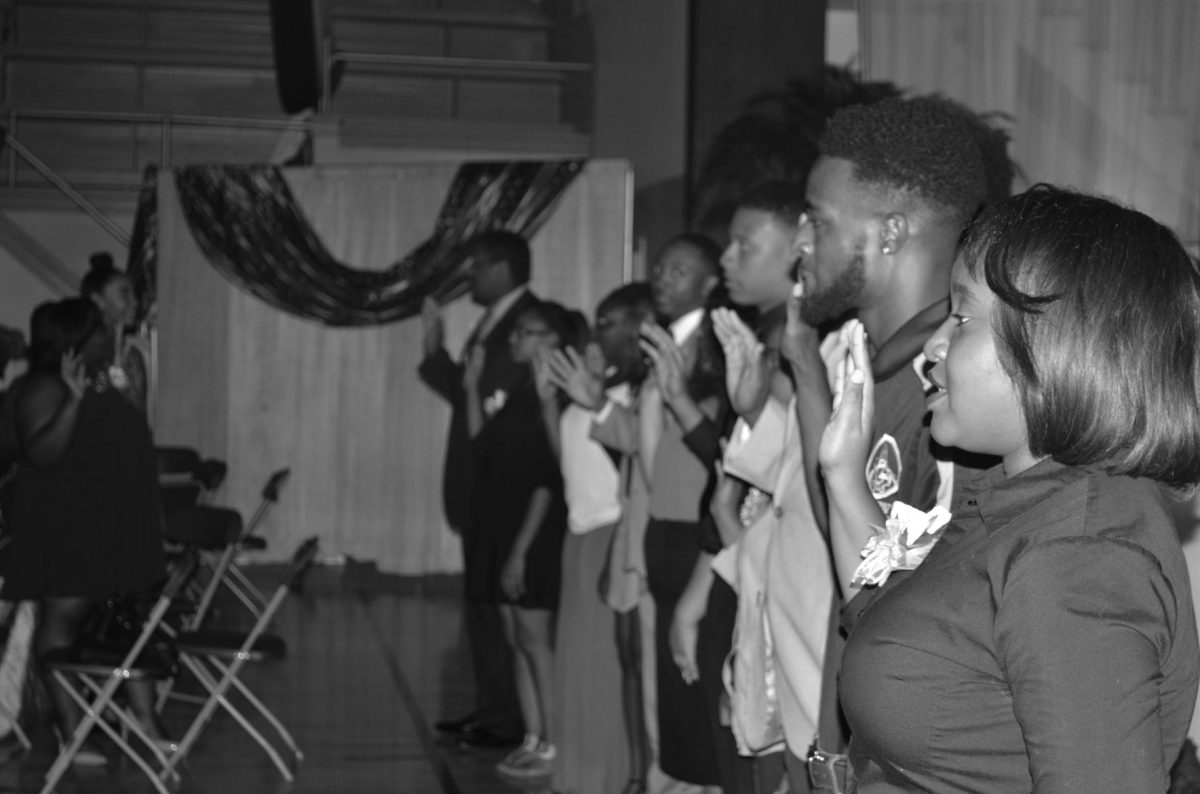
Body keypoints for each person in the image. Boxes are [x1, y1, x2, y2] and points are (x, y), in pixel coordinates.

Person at [821, 185, 1200, 791]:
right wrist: (843, 474)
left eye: (962, 317)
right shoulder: (1026, 498)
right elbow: (890, 619)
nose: (934, 345)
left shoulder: (1080, 550)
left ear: (1056, 346)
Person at [782, 95, 1005, 792]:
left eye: (818, 219)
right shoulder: (868, 361)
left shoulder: (960, 398)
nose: (800, 242)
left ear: (889, 232)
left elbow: (925, 617)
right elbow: (849, 543)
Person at [671, 182, 809, 794]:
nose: (727, 258)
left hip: (770, 584)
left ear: (797, 250)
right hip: (736, 565)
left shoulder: (798, 345)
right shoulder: (760, 337)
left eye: (744, 246)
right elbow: (734, 485)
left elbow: (765, 493)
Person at [0, 299, 168, 759]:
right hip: (69, 531)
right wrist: (73, 400)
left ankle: (145, 723)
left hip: (112, 525)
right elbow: (43, 454)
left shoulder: (96, 378)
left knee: (128, 627)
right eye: (98, 329)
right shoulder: (40, 388)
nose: (107, 333)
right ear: (74, 341)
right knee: (62, 626)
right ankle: (71, 733)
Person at [418, 230, 540, 749]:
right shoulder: (493, 324)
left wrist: (438, 357)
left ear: (502, 269)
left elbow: (493, 411)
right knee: (482, 609)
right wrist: (434, 351)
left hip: (502, 492)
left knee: (497, 609)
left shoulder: (526, 325)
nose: (469, 277)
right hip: (480, 489)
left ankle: (509, 717)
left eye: (476, 267)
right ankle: (493, 708)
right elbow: (469, 397)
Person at [463, 299, 583, 779]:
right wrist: (471, 389)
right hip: (502, 526)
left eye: (527, 332)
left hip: (534, 533)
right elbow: (482, 445)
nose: (515, 339)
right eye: (515, 332)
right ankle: (534, 735)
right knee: (517, 637)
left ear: (554, 341)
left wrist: (519, 551)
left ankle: (554, 740)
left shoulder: (558, 394)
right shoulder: (519, 389)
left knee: (534, 637)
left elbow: (549, 480)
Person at [543, 282, 654, 794]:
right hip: (580, 532)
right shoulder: (602, 385)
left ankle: (607, 777)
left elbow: (634, 469)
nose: (597, 332)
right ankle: (581, 775)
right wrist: (558, 401)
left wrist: (592, 399)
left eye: (607, 323)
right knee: (579, 667)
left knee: (603, 669)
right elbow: (565, 460)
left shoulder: (633, 394)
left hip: (612, 532)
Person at [80, 252, 152, 416]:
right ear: (99, 300)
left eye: (134, 295)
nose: (135, 303)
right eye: (124, 295)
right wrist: (116, 364)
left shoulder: (133, 346)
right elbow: (98, 390)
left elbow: (138, 404)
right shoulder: (82, 347)